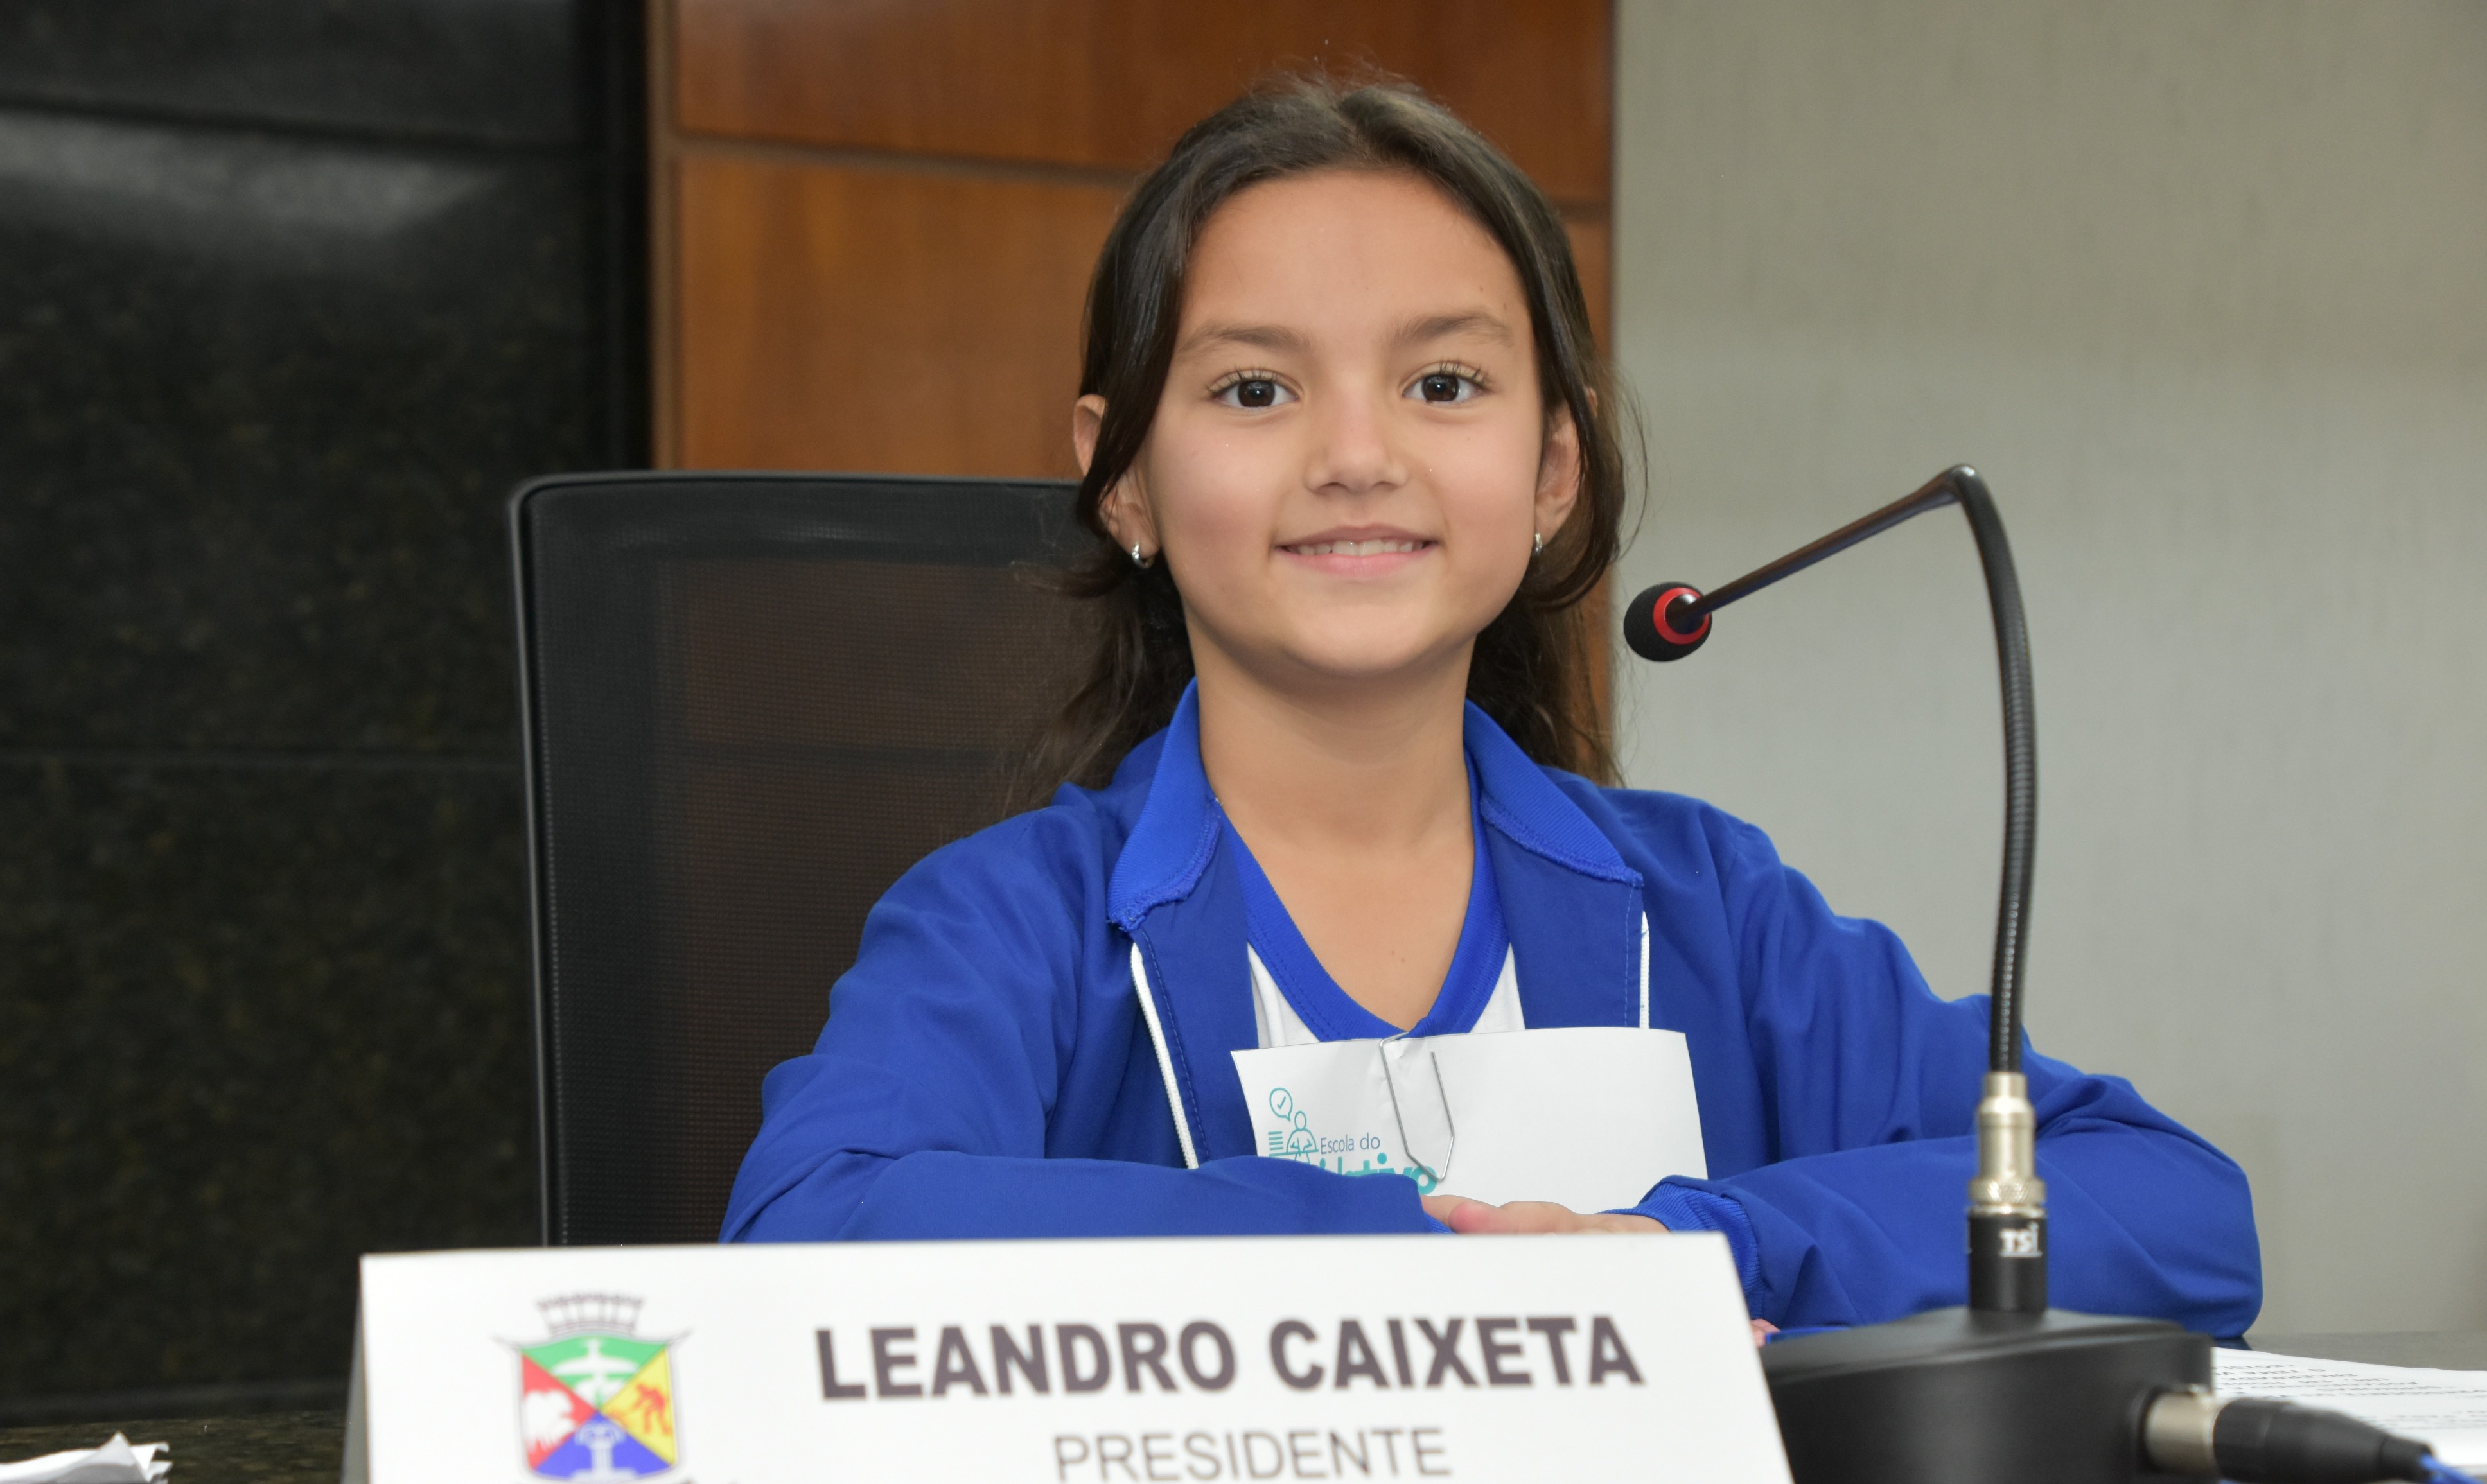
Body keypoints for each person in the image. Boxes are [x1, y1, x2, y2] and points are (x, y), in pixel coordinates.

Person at [721, 79, 2261, 1338]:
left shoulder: (1711, 908)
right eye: (1255, 390)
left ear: (1551, 472)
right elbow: (802, 1247)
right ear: (1121, 475)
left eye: (1443, 385)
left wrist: (1704, 1250)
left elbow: (2175, 1212)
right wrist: (1404, 1263)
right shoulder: (1011, 922)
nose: (1356, 456)